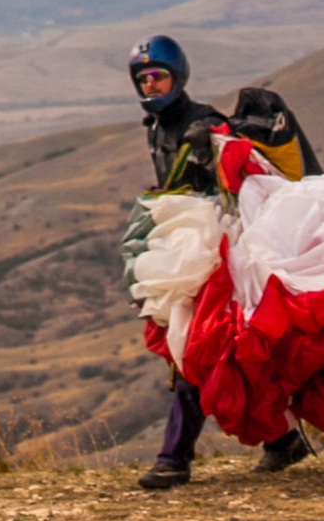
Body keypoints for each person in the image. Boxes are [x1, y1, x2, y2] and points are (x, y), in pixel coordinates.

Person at [126, 40, 310, 490]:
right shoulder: (157, 127)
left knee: (197, 348)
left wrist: (210, 152)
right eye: (143, 79)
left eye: (158, 76)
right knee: (211, 353)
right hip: (186, 251)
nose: (151, 85)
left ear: (178, 77)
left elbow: (236, 178)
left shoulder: (205, 123)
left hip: (219, 254)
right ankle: (282, 440)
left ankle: (174, 458)